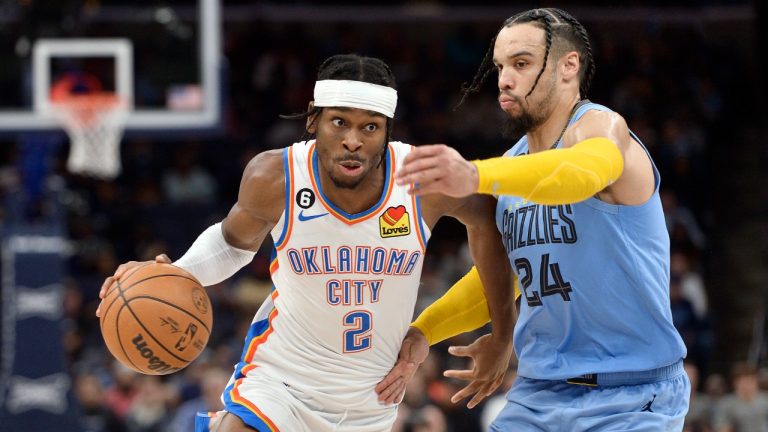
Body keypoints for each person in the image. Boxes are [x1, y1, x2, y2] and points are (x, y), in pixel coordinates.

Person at [96, 54, 514, 432]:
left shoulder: (424, 178)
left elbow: (490, 227)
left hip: (371, 399)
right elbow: (231, 245)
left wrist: (502, 333)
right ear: (313, 119)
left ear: (387, 131)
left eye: (370, 127)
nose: (354, 139)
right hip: (281, 379)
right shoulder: (275, 176)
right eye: (340, 123)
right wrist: (174, 273)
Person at [381, 8, 691, 431]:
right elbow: (501, 277)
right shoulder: (514, 166)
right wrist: (423, 332)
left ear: (569, 66)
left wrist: (475, 174)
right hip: (538, 394)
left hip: (632, 397)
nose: (505, 79)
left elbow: (580, 176)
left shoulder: (602, 129)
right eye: (501, 67)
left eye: (521, 64)